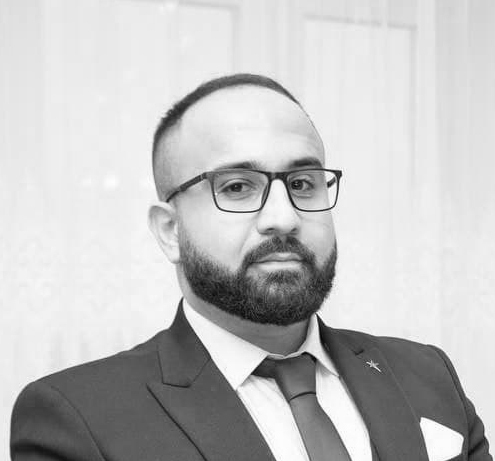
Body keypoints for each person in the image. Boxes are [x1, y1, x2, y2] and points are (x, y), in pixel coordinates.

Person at [10, 73, 491, 461]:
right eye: (237, 187)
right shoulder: (78, 419)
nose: (284, 217)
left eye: (302, 183)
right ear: (170, 230)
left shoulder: (427, 375)